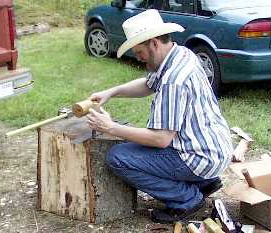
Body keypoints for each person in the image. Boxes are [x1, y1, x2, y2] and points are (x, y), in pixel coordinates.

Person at [86, 9, 233, 223]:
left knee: (117, 157)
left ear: (154, 43)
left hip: (201, 157)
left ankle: (186, 198)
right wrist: (112, 92)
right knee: (133, 143)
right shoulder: (180, 54)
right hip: (215, 148)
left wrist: (110, 127)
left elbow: (160, 139)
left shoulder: (173, 81)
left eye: (139, 52)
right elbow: (148, 83)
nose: (138, 58)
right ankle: (203, 182)